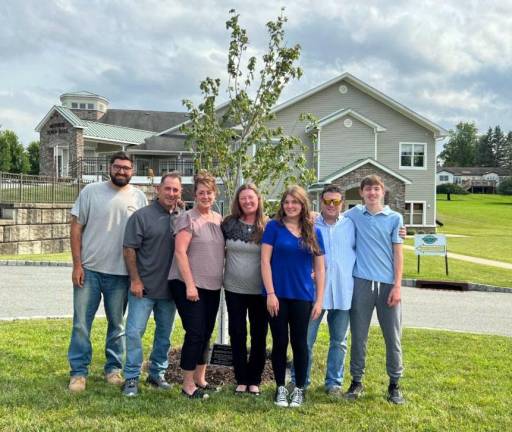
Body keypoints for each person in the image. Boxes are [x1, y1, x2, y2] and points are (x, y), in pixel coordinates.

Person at [67, 151, 148, 392]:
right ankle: (78, 373)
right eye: (118, 167)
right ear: (109, 167)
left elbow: (144, 238)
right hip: (89, 271)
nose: (122, 171)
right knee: (81, 323)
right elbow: (76, 228)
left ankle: (113, 369)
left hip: (121, 274)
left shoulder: (139, 197)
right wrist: (77, 264)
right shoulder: (91, 192)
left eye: (126, 168)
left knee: (117, 325)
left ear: (132, 171)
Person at [343, 175, 405, 404]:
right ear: (361, 193)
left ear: (383, 192)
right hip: (361, 283)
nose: (371, 193)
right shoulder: (353, 215)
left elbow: (398, 254)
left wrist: (397, 286)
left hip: (388, 285)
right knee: (359, 335)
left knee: (393, 336)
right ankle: (356, 381)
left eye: (376, 189)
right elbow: (328, 218)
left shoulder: (394, 219)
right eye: (367, 189)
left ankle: (394, 384)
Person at [261, 185, 325, 408]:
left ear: (302, 205)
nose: (290, 206)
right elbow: (264, 262)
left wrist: (319, 299)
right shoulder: (273, 228)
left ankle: (298, 389)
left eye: (295, 202)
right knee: (279, 342)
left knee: (300, 343)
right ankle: (280, 387)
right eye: (287, 202)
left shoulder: (313, 231)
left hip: (303, 296)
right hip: (276, 296)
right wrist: (270, 293)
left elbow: (321, 268)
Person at [121, 172, 183, 397]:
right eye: (167, 189)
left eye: (176, 190)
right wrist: (135, 280)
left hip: (170, 291)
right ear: (158, 190)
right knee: (134, 333)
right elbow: (129, 249)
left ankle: (157, 373)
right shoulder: (141, 216)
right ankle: (131, 378)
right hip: (143, 289)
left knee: (164, 336)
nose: (171, 193)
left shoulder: (181, 217)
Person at [291, 184, 356, 395]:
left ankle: (334, 384)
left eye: (335, 201)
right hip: (314, 293)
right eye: (327, 201)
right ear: (321, 202)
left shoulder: (351, 224)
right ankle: (299, 380)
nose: (331, 205)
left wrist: (401, 230)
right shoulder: (308, 224)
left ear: (342, 203)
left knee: (339, 341)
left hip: (343, 292)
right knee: (305, 340)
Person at [168, 170, 224, 399]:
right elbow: (180, 252)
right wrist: (190, 285)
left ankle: (201, 379)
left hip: (212, 286)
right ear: (195, 194)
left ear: (214, 194)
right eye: (201, 192)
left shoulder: (219, 219)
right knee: (195, 332)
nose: (205, 197)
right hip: (187, 285)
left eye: (209, 193)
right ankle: (187, 385)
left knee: (207, 332)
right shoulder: (187, 218)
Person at [222, 184, 268, 396]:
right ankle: (241, 378)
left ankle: (254, 379)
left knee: (259, 335)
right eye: (243, 199)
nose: (247, 202)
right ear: (238, 201)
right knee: (237, 333)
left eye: (251, 198)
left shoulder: (269, 226)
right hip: (234, 289)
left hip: (260, 291)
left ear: (258, 200)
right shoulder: (228, 224)